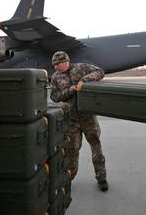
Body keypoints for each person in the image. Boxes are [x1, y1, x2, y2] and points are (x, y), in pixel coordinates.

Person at [49, 51, 109, 192]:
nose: (55, 67)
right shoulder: (56, 77)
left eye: (57, 64)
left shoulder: (81, 67)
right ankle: (68, 179)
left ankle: (101, 178)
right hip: (72, 120)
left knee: (96, 147)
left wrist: (84, 80)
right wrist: (70, 90)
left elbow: (100, 72)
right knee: (72, 151)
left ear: (65, 61)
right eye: (54, 65)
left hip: (88, 118)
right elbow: (54, 97)